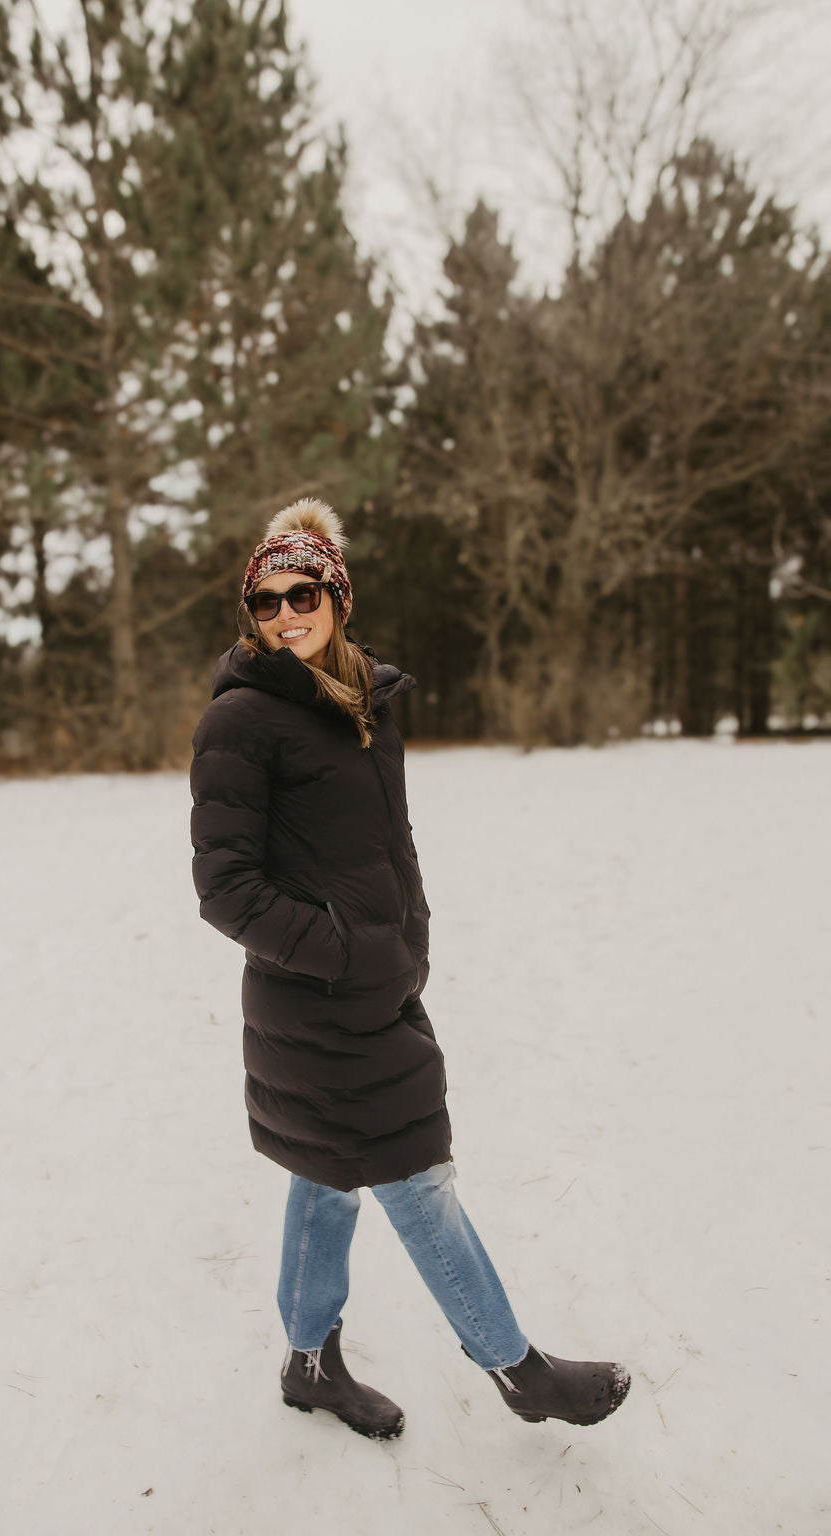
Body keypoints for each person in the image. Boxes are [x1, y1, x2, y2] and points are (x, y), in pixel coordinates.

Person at [189, 498, 630, 1440]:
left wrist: (410, 940)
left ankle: (309, 1365)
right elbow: (225, 887)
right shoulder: (241, 721)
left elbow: (393, 842)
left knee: (325, 1177)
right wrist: (346, 954)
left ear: (337, 597)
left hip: (379, 986)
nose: (284, 615)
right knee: (415, 1177)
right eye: (264, 603)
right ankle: (519, 1369)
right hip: (317, 1001)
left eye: (302, 592)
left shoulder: (361, 705)